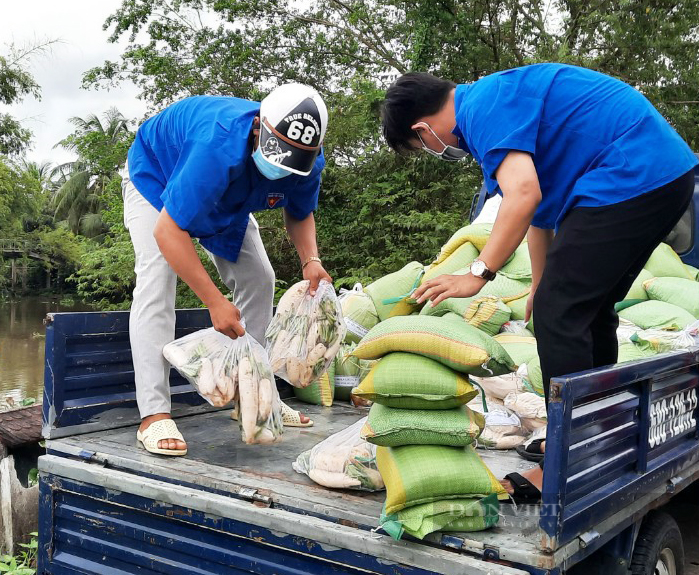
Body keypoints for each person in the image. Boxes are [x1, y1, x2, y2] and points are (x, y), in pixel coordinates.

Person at [381, 63, 698, 502]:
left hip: (633, 172)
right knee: (586, 312)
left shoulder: (482, 108)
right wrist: (539, 287)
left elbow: (523, 195)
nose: (433, 151)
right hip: (661, 173)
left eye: (421, 147)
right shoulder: (497, 104)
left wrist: (479, 273)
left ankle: (569, 463)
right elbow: (539, 215)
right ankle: (600, 439)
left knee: (563, 314)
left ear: (422, 129)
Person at [122, 83, 332, 456]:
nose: (282, 169)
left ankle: (252, 395)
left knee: (260, 278)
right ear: (258, 129)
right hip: (159, 176)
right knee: (157, 282)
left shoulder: (307, 161)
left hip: (231, 197)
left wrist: (310, 260)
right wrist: (215, 301)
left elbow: (299, 212)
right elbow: (169, 231)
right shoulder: (215, 144)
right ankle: (153, 414)